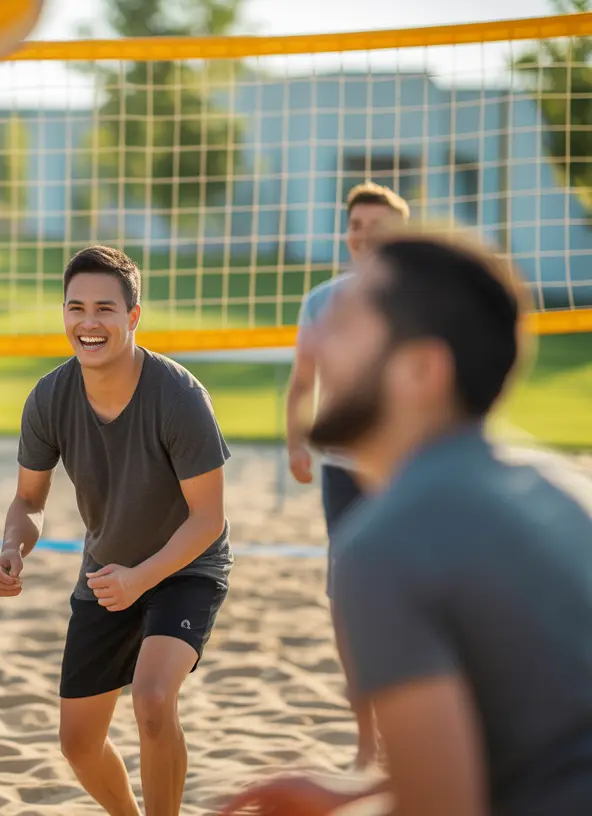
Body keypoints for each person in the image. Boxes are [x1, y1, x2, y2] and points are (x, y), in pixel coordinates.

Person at [219, 232, 592, 816]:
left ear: (422, 370)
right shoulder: (557, 487)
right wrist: (356, 795)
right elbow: (537, 738)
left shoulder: (385, 546)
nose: (310, 342)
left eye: (342, 324)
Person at [0, 245, 233, 816]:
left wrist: (141, 577)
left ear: (133, 316)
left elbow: (209, 519)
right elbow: (28, 499)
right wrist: (11, 549)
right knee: (77, 743)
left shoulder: (179, 396)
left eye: (104, 308)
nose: (88, 322)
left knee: (152, 699)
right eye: (76, 308)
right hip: (107, 572)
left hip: (185, 566)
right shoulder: (49, 397)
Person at [284, 180, 409, 769]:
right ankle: (366, 739)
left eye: (376, 226)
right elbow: (302, 382)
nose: (363, 235)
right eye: (356, 225)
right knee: (348, 599)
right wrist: (296, 442)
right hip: (343, 472)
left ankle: (414, 729)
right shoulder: (322, 301)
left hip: (404, 470)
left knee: (408, 595)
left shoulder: (418, 297)